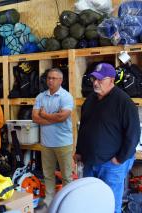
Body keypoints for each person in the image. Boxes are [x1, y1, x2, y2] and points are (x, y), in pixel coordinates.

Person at [74, 63, 141, 213]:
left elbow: (133, 134)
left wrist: (120, 159)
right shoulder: (90, 100)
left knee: (111, 202)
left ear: (111, 80)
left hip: (112, 165)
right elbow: (83, 127)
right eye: (93, 79)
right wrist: (79, 151)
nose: (95, 83)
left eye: (100, 79)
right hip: (90, 161)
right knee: (91, 199)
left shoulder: (124, 102)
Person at [32, 68, 74, 208]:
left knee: (67, 175)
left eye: (54, 78)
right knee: (48, 174)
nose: (50, 80)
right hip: (46, 143)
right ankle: (49, 199)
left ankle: (68, 201)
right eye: (49, 78)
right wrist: (53, 117)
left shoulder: (66, 96)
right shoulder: (40, 97)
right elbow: (35, 118)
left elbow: (63, 117)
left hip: (63, 143)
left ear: (60, 80)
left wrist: (45, 115)